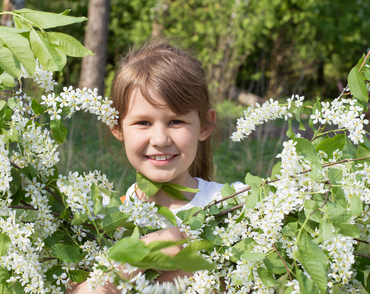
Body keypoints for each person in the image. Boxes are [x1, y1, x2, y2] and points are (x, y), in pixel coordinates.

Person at [68, 39, 246, 294]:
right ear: (117, 127)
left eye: (175, 121)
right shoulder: (102, 221)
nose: (160, 139)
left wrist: (193, 272)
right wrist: (139, 256)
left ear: (205, 126)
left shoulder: (235, 205)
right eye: (143, 122)